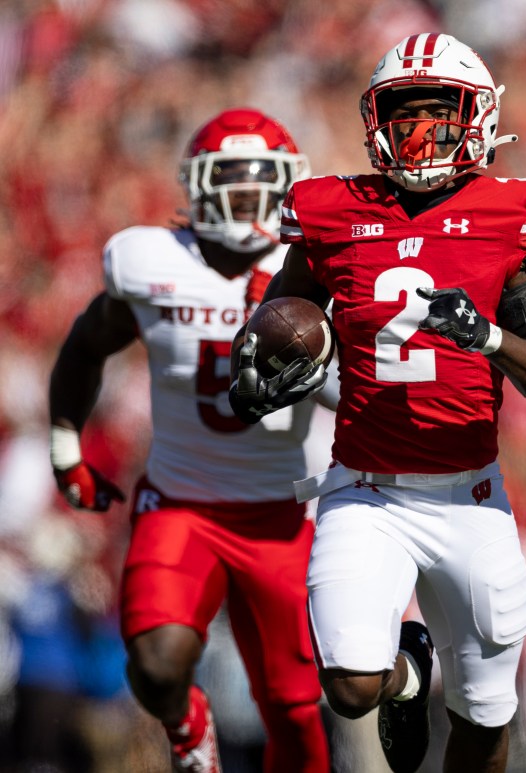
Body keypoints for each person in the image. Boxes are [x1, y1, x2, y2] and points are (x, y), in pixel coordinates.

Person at [227, 32, 526, 773]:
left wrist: (488, 336)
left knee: (484, 719)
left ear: (478, 118)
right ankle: (405, 673)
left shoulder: (511, 213)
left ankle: (432, 682)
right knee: (351, 683)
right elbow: (276, 324)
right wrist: (256, 376)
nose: (419, 130)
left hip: (469, 495)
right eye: (404, 112)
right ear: (375, 121)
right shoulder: (331, 211)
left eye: (437, 111)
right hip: (365, 489)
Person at [48, 108, 333, 773]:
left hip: (279, 511)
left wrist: (311, 356)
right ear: (198, 186)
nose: (245, 199)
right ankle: (188, 729)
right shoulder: (151, 262)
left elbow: (353, 390)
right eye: (230, 181)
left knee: (293, 705)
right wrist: (67, 445)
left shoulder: (310, 270)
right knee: (154, 662)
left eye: (259, 184)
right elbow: (86, 343)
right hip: (181, 502)